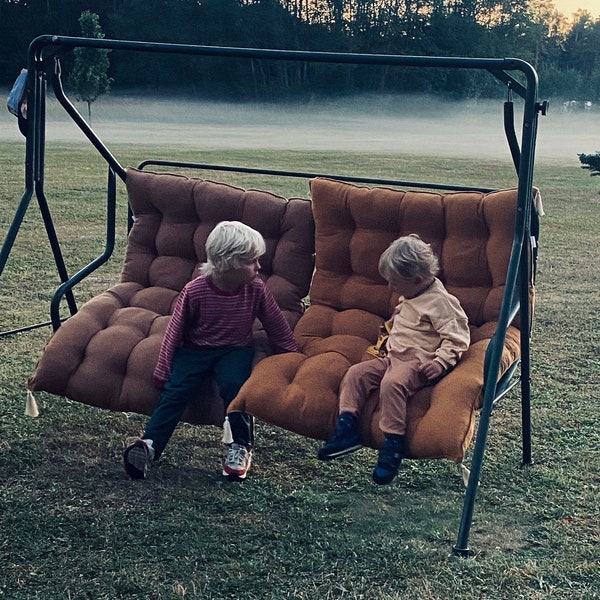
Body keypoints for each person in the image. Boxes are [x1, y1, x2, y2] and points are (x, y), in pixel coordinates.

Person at [124, 221, 298, 480]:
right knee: (176, 390)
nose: (259, 267)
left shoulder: (256, 288)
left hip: (235, 349)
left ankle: (239, 445)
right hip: (195, 349)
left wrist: (292, 356)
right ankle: (149, 446)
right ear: (229, 262)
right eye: (253, 261)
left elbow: (275, 323)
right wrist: (164, 368)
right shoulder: (195, 291)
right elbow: (174, 333)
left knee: (235, 387)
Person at [317, 234, 470, 484]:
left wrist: (441, 362)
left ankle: (393, 444)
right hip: (392, 357)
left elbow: (458, 337)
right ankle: (347, 427)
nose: (391, 288)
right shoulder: (412, 294)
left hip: (416, 363)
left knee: (392, 384)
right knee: (356, 374)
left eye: (396, 284)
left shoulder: (442, 303)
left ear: (418, 280)